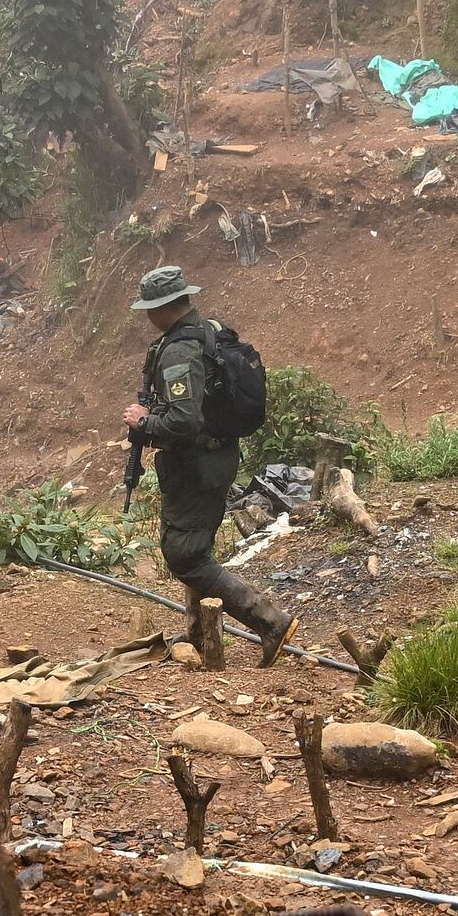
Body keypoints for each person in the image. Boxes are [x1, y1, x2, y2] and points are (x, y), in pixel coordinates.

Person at [120, 264, 290, 666]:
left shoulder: (179, 349)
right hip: (214, 456)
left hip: (197, 462)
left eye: (149, 308)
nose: (147, 316)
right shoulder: (208, 330)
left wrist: (143, 421)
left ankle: (270, 620)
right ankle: (199, 633)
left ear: (162, 308)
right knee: (197, 547)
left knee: (184, 556)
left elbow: (184, 420)